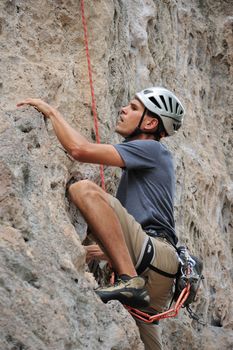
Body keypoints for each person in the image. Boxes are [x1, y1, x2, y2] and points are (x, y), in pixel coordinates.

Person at [17, 87, 185, 350]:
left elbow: (79, 149)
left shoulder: (152, 149)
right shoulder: (147, 160)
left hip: (151, 259)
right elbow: (125, 239)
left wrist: (50, 111)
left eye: (133, 108)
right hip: (156, 271)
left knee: (83, 189)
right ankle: (131, 281)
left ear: (151, 122)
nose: (123, 110)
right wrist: (84, 252)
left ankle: (129, 281)